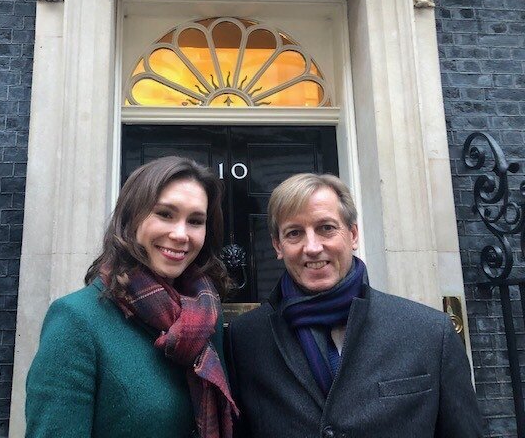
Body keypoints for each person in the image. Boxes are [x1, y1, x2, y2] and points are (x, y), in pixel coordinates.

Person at [225, 173, 482, 438]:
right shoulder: (245, 338)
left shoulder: (430, 332)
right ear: (278, 245)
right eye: (295, 233)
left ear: (353, 234)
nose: (312, 247)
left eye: (326, 228)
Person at [26, 156, 238, 438]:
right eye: (165, 214)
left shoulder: (206, 315)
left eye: (196, 221)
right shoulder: (76, 320)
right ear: (131, 218)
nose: (180, 234)